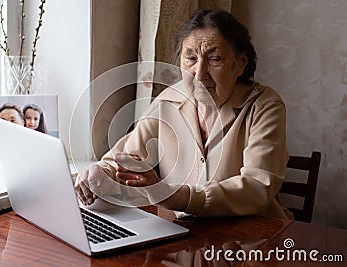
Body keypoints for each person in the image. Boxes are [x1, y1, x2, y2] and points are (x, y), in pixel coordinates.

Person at [75, 9, 291, 219]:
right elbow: (124, 158)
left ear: (240, 64)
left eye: (214, 59)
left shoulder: (264, 105)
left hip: (253, 238)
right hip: (187, 237)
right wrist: (102, 173)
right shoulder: (168, 101)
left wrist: (177, 197)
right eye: (190, 59)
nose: (199, 73)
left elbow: (257, 187)